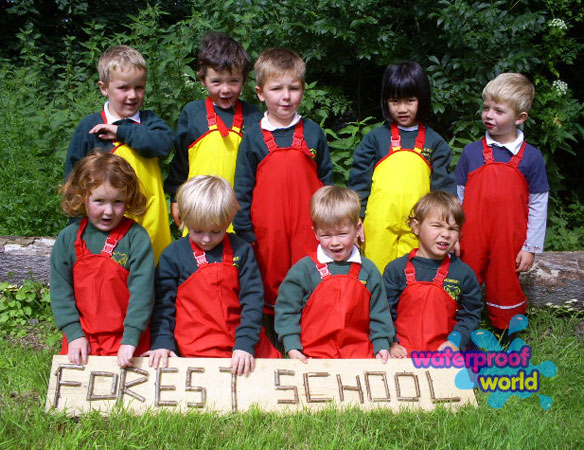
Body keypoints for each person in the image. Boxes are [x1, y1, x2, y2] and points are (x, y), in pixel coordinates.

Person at [233, 48, 333, 323]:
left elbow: (326, 182)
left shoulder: (313, 132)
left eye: (294, 88)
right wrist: (244, 229)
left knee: (310, 269)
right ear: (261, 93)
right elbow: (242, 187)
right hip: (267, 230)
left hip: (308, 224)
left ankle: (310, 321)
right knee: (269, 274)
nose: (286, 96)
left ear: (303, 90)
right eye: (276, 89)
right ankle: (272, 327)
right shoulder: (253, 137)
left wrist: (331, 220)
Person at [149, 176, 280, 376]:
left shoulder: (242, 251)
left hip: (243, 339)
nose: (207, 239)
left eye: (216, 231)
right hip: (198, 345)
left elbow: (252, 301)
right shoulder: (172, 256)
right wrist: (162, 342)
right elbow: (163, 306)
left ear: (228, 221)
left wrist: (245, 343)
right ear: (183, 220)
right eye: (198, 231)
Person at [456, 73, 549, 330]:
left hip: (509, 237)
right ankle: (462, 327)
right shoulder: (471, 152)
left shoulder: (531, 157)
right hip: (471, 234)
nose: (489, 115)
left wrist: (531, 246)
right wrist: (453, 234)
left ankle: (507, 330)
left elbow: (539, 203)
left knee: (505, 281)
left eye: (498, 111)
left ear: (520, 118)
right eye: (486, 107)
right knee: (464, 278)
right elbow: (458, 197)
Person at [65, 45, 174, 264]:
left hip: (150, 222)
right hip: (106, 222)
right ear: (104, 88)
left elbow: (164, 145)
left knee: (151, 278)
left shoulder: (150, 123)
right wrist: (76, 227)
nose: (133, 95)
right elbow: (74, 178)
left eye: (139, 88)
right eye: (123, 88)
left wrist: (121, 131)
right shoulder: (90, 126)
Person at [348, 61, 456, 274]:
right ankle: (375, 307)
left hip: (420, 225)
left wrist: (448, 228)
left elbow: (444, 191)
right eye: (395, 101)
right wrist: (355, 219)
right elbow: (358, 182)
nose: (402, 108)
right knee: (374, 273)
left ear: (422, 100)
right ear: (386, 101)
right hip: (377, 224)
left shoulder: (435, 143)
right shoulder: (375, 139)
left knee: (416, 273)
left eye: (410, 100)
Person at [50, 152, 154, 368]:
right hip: (82, 339)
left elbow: (142, 293)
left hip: (128, 340)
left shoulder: (136, 238)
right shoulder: (68, 239)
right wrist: (73, 334)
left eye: (118, 202)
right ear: (81, 197)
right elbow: (61, 292)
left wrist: (131, 338)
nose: (109, 211)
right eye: (99, 201)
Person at [275, 186, 394, 362]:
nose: (335, 242)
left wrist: (382, 346)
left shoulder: (368, 270)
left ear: (357, 228)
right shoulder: (303, 270)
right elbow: (286, 311)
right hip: (312, 357)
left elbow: (379, 313)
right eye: (326, 235)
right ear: (315, 231)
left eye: (342, 234)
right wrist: (292, 346)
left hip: (360, 357)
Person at [165, 32, 263, 232]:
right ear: (202, 79)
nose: (225, 90)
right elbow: (181, 162)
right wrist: (175, 198)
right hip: (197, 213)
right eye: (216, 82)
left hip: (241, 216)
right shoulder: (192, 113)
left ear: (244, 80)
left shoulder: (254, 117)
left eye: (233, 81)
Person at [383, 191, 482, 357]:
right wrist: (391, 342)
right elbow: (384, 312)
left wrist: (455, 341)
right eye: (437, 225)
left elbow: (471, 315)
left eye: (453, 229)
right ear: (416, 227)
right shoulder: (396, 269)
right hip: (402, 353)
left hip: (446, 354)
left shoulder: (463, 273)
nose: (445, 234)